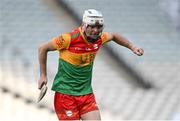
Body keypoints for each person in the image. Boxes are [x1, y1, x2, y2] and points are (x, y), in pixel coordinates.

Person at [38, 9, 144, 120]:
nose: (96, 30)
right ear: (84, 25)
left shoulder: (100, 38)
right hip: (65, 95)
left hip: (86, 93)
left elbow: (114, 36)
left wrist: (133, 47)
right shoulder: (68, 38)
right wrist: (43, 75)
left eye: (99, 27)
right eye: (92, 26)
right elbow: (43, 48)